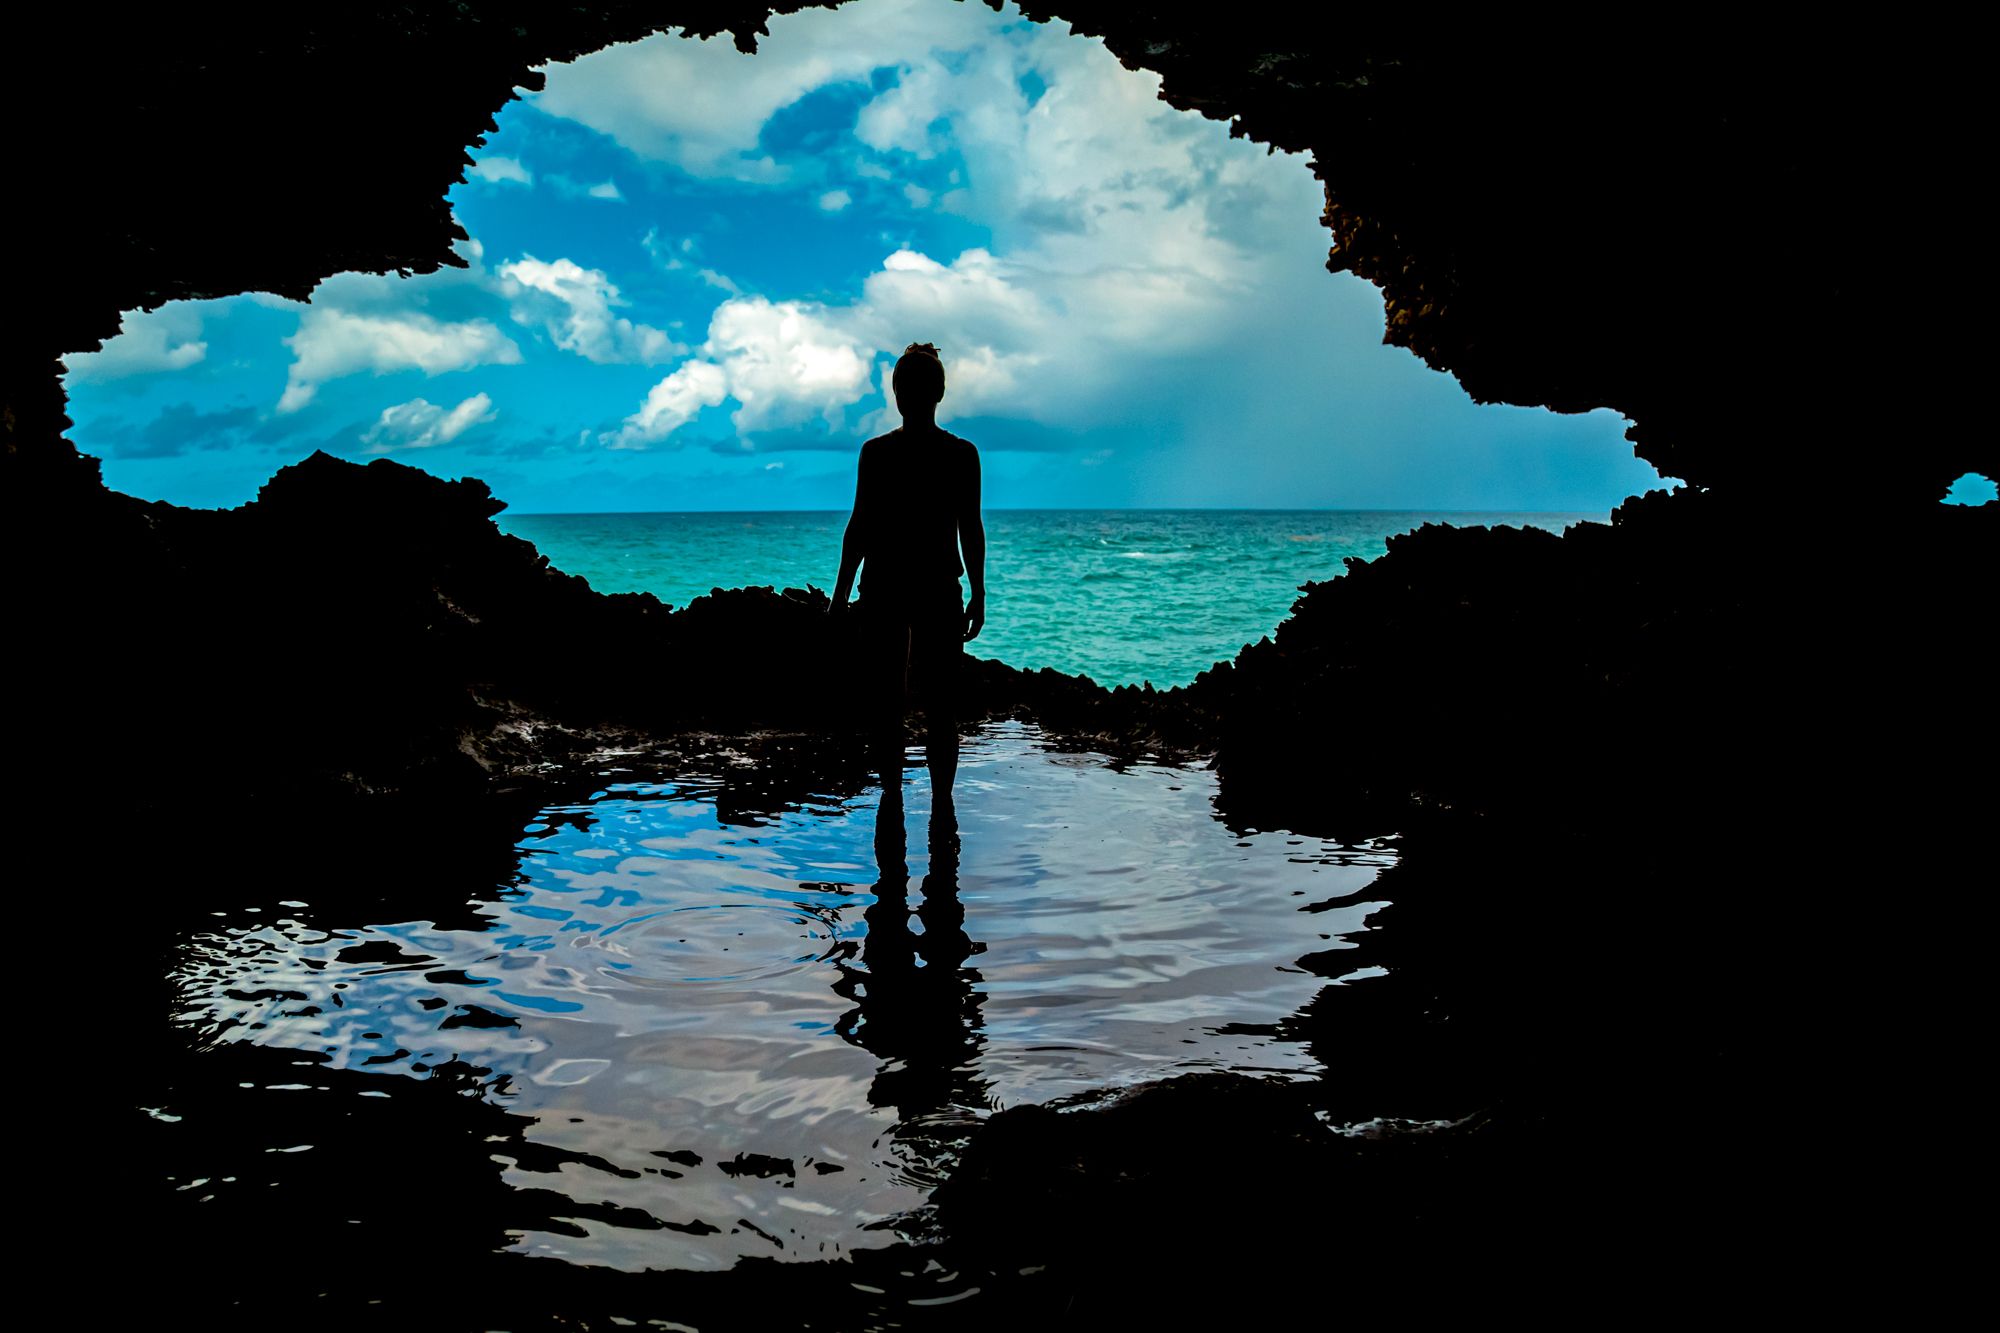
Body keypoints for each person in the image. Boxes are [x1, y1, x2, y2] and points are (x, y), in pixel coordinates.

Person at [829, 342, 985, 791]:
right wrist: (978, 591)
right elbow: (970, 529)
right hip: (934, 586)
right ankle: (941, 810)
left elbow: (859, 526)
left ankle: (893, 800)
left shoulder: (877, 453)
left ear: (897, 394)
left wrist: (840, 595)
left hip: (887, 586)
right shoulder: (960, 454)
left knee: (889, 707)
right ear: (940, 393)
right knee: (940, 709)